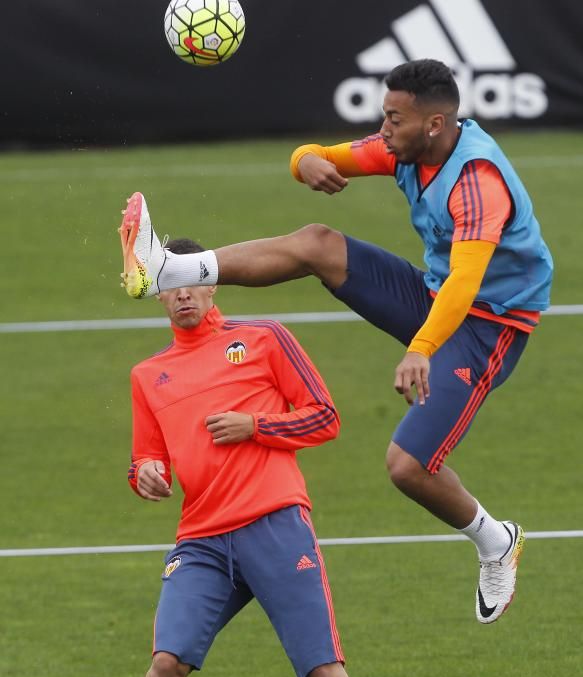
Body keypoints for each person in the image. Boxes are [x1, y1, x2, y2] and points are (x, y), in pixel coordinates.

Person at [118, 59, 553, 625]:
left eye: (394, 118)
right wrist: (308, 164)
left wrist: (421, 348)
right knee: (318, 243)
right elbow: (314, 153)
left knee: (407, 466)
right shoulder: (404, 147)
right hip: (436, 295)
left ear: (436, 124)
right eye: (383, 115)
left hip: (488, 326)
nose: (383, 129)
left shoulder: (478, 186)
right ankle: (171, 269)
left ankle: (496, 540)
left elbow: (468, 284)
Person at [126, 237, 362, 677]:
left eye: (193, 279)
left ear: (212, 283)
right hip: (202, 541)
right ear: (158, 293)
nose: (183, 293)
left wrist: (255, 426)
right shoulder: (147, 376)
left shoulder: (264, 338)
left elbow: (324, 417)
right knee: (166, 664)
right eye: (171, 283)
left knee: (323, 672)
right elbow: (143, 461)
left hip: (274, 525)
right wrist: (147, 474)